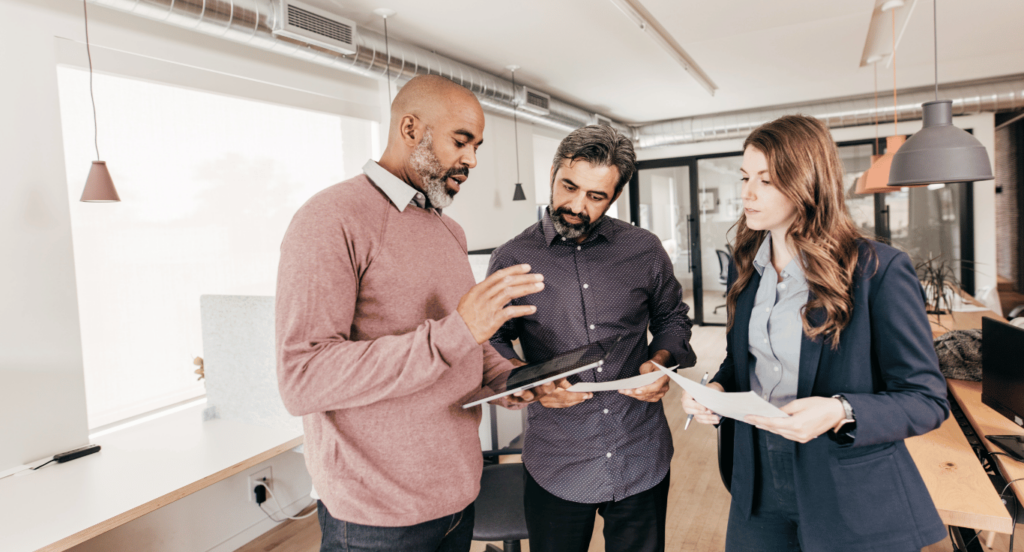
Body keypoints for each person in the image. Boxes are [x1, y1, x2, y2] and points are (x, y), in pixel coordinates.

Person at [275, 75, 549, 552]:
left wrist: (510, 380)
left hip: (459, 496)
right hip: (375, 517)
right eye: (461, 141)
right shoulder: (331, 219)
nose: (472, 160)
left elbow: (468, 344)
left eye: (477, 146)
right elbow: (303, 377)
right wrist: (457, 331)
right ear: (409, 129)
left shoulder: (450, 231)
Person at [681, 115, 949, 551]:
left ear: (807, 181)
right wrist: (715, 389)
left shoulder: (876, 270)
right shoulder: (747, 265)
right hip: (757, 480)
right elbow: (742, 360)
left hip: (847, 489)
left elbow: (926, 399)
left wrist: (839, 410)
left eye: (765, 180)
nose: (746, 193)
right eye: (745, 177)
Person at [488, 125, 696, 552]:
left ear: (614, 196)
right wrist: (527, 379)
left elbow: (673, 318)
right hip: (557, 458)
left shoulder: (644, 249)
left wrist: (661, 361)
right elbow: (491, 341)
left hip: (641, 451)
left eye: (595, 196)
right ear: (552, 173)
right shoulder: (511, 258)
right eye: (568, 186)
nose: (576, 205)